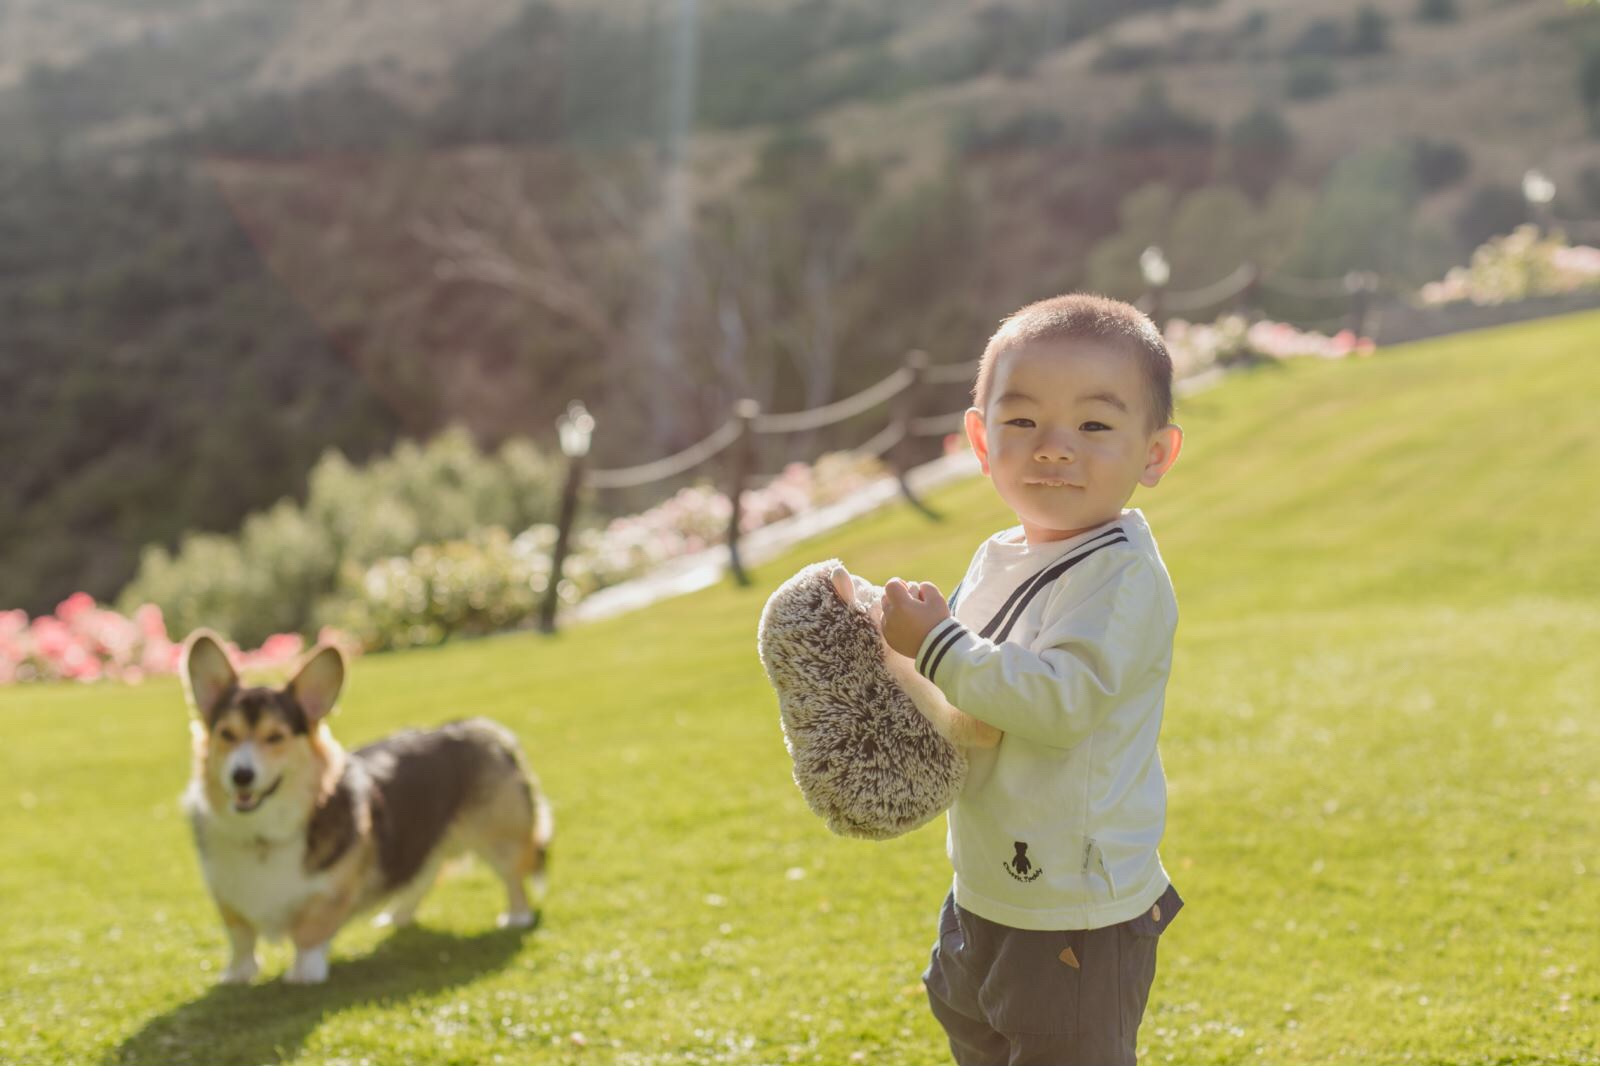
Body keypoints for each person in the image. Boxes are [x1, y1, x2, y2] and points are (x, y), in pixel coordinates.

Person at [878, 293, 1186, 1065]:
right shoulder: (1000, 553)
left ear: (1154, 454)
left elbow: (1059, 702)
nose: (1054, 447)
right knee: (973, 1029)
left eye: (1094, 425)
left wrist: (938, 642)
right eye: (1022, 422)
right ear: (980, 440)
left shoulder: (1121, 578)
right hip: (988, 881)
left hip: (1074, 908)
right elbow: (965, 691)